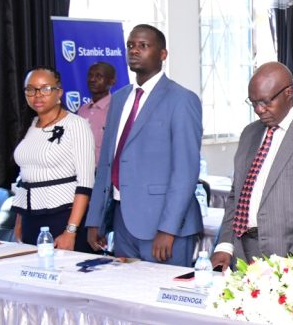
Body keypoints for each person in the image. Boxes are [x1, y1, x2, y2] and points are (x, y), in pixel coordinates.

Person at [212, 63, 293, 275]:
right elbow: (236, 195)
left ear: (288, 93)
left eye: (265, 102)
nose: (258, 110)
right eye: (253, 103)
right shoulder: (250, 134)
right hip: (244, 255)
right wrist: (225, 245)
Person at [86, 24, 202, 266]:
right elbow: (107, 163)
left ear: (162, 54)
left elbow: (185, 171)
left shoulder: (182, 100)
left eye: (143, 45)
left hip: (164, 227)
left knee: (164, 298)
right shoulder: (119, 99)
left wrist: (168, 229)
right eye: (130, 45)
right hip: (122, 222)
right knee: (127, 299)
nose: (134, 50)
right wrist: (95, 218)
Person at [12, 67, 95, 252]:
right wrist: (19, 222)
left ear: (59, 92)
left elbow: (85, 183)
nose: (38, 95)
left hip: (64, 217)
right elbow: (24, 177)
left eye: (45, 88)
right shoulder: (30, 124)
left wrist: (70, 231)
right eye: (31, 89)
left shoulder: (76, 125)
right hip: (30, 218)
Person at [76, 61, 115, 164]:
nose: (92, 79)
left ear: (112, 81)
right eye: (90, 75)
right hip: (81, 172)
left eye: (99, 76)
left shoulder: (117, 109)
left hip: (106, 174)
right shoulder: (82, 110)